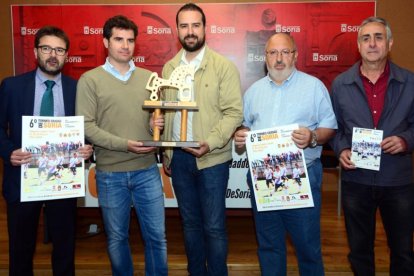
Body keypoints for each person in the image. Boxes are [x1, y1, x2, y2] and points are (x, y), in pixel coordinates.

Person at [234, 33, 337, 275]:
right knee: (269, 246)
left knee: (307, 247)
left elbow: (329, 127)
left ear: (295, 55)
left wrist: (312, 137)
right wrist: (241, 134)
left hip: (302, 176)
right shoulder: (253, 92)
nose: (278, 59)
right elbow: (245, 125)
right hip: (264, 178)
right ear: (265, 57)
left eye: (285, 52)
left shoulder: (314, 87)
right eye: (272, 53)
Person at [75, 15, 167, 276]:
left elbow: (155, 125)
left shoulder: (151, 79)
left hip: (147, 170)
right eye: (118, 39)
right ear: (105, 42)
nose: (125, 45)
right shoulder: (90, 80)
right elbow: (87, 127)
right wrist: (126, 144)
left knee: (157, 238)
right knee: (117, 239)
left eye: (130, 40)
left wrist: (154, 125)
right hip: (109, 174)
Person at [0, 25, 93, 276]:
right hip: (21, 178)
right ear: (35, 52)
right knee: (21, 248)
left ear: (66, 55)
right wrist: (9, 152)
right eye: (47, 48)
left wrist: (88, 148)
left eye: (60, 50)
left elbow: (88, 128)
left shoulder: (78, 89)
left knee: (64, 247)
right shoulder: (11, 86)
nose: (53, 54)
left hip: (62, 180)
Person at [161, 3, 243, 275]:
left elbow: (233, 113)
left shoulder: (223, 66)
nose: (190, 31)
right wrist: (167, 154)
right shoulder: (169, 68)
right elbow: (166, 114)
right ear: (177, 30)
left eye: (196, 25)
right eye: (184, 26)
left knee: (215, 226)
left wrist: (210, 141)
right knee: (190, 224)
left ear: (205, 28)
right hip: (180, 160)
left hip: (213, 159)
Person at [330, 16, 414, 276]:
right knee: (359, 251)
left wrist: (406, 140)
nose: (372, 43)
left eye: (378, 37)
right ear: (358, 45)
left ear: (389, 43)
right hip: (357, 181)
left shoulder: (410, 82)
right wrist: (342, 149)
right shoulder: (340, 84)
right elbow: (335, 128)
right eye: (366, 38)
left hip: (397, 181)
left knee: (403, 251)